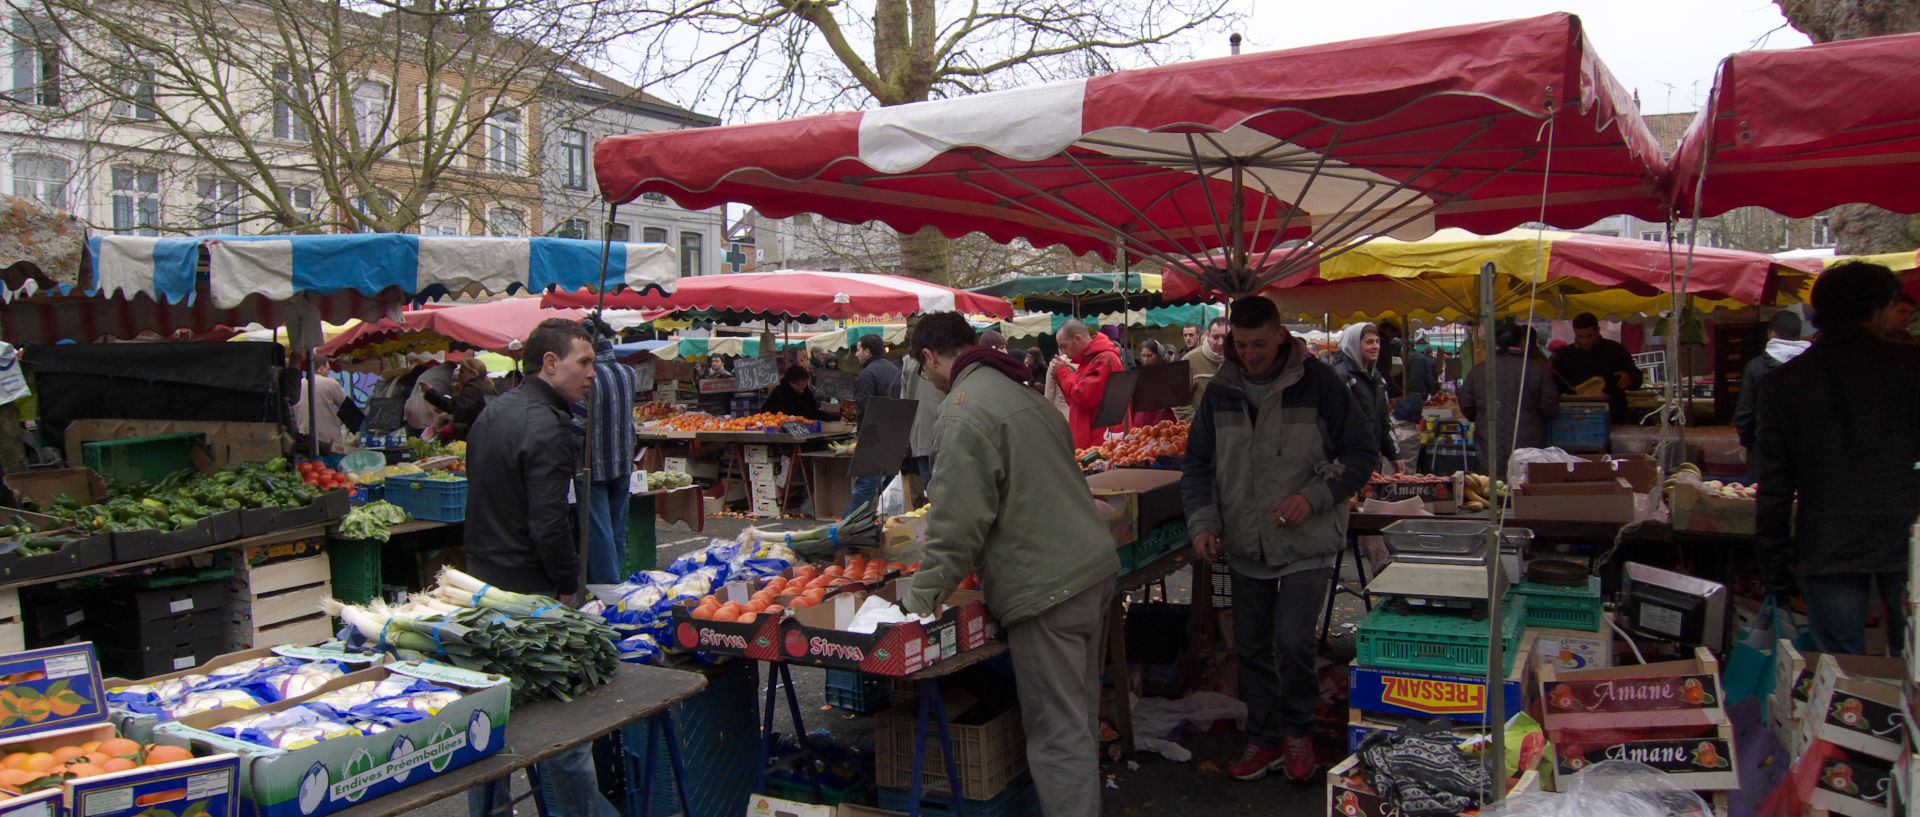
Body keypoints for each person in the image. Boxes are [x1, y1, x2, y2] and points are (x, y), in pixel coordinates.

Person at [898, 312, 1118, 817]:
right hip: (1090, 570)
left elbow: (955, 524)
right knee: (1078, 720)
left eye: (925, 368)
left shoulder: (962, 410)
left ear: (930, 357)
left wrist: (917, 603)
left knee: (1059, 737)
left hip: (1048, 588)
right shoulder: (1021, 392)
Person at [1181, 296, 1375, 782]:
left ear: (1281, 335)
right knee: (1251, 647)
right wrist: (1202, 522)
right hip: (1245, 540)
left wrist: (1314, 496)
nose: (1250, 354)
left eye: (1260, 343)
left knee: (1293, 642)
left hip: (1305, 540)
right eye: (1240, 344)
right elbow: (1197, 466)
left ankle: (1298, 732)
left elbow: (1360, 453)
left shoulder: (1321, 383)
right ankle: (1264, 738)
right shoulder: (1220, 389)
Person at [463, 318, 618, 817]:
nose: (593, 374)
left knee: (487, 725)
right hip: (529, 595)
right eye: (585, 362)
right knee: (564, 733)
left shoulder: (493, 411)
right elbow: (548, 524)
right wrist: (568, 587)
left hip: (481, 586)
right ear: (550, 363)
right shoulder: (550, 427)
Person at [1754, 262, 1920, 656]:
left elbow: (1773, 485)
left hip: (1827, 541)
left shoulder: (1784, 383)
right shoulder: (1913, 366)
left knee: (1841, 675)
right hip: (1909, 535)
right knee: (1915, 662)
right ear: (1878, 308)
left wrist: (1776, 568)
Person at [1459, 325, 1561, 479]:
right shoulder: (1539, 370)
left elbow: (1467, 405)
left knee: (1492, 490)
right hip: (1528, 441)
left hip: (1490, 441)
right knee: (1523, 486)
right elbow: (1549, 408)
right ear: (1522, 341)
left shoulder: (1479, 371)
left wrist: (1483, 416)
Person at [579, 333, 638, 585]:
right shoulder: (628, 373)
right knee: (617, 528)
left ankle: (608, 586)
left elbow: (579, 420)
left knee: (599, 531)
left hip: (594, 462)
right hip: (623, 457)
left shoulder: (589, 378)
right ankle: (619, 577)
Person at [1327, 323, 1402, 474]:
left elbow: (1384, 418)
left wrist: (1394, 454)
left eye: (1377, 341)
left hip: (1370, 458)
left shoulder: (1377, 378)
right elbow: (1335, 424)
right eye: (1369, 342)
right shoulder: (1341, 376)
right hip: (1347, 462)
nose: (1376, 347)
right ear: (1354, 344)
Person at [1733, 311, 1809, 453]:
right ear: (1798, 335)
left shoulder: (1755, 367)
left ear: (1772, 334)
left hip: (1766, 448)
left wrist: (1751, 444)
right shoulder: (1813, 365)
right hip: (1805, 450)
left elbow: (1744, 413)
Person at [846, 334, 903, 515]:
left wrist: (862, 437)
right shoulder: (895, 370)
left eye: (859, 350)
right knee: (889, 484)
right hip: (896, 433)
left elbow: (864, 408)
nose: (856, 354)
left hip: (874, 435)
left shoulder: (867, 374)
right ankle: (883, 518)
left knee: (865, 486)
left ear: (868, 352)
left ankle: (851, 524)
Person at [1549, 312, 1642, 422]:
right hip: (1574, 415)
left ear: (1597, 330)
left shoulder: (1616, 350)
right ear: (1575, 332)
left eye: (1589, 336)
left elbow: (1636, 378)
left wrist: (1629, 378)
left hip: (1611, 414)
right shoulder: (1564, 355)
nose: (1585, 341)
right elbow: (1555, 386)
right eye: (1580, 337)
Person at [1052, 320, 1125, 448]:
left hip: (1099, 442)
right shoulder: (1088, 361)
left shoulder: (1105, 358)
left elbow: (1083, 397)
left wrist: (1062, 373)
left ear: (1077, 338)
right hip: (1090, 440)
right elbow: (1074, 401)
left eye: (1064, 346)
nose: (1063, 352)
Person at [421, 358, 498, 442]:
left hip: (479, 436)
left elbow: (459, 410)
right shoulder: (489, 387)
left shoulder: (472, 388)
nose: (459, 375)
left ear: (473, 374)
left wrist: (430, 392)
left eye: (462, 372)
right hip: (489, 433)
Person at [290, 358, 349, 452]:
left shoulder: (298, 384)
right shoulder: (330, 383)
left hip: (304, 439)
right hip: (329, 440)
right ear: (321, 368)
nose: (329, 372)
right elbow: (349, 409)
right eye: (328, 369)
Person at [1180, 317, 1229, 422]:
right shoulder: (1189, 360)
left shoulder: (1238, 359)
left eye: (1224, 337)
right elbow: (1179, 402)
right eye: (1215, 337)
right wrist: (1197, 424)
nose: (1220, 342)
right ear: (1208, 336)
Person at [1129, 339, 1177, 428]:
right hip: (1141, 422)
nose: (1146, 359)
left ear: (1159, 356)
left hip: (1163, 422)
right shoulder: (1138, 375)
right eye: (1143, 356)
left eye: (1149, 356)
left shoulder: (1169, 374)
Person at [761, 365, 834, 421]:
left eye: (805, 383)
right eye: (798, 384)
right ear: (790, 382)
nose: (803, 387)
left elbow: (812, 412)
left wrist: (829, 416)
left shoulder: (807, 393)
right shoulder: (780, 393)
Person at [1403, 337, 1441, 404]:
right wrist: (1433, 391)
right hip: (1420, 392)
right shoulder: (1423, 358)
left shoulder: (1400, 356)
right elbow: (1428, 376)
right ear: (1414, 345)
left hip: (1404, 392)